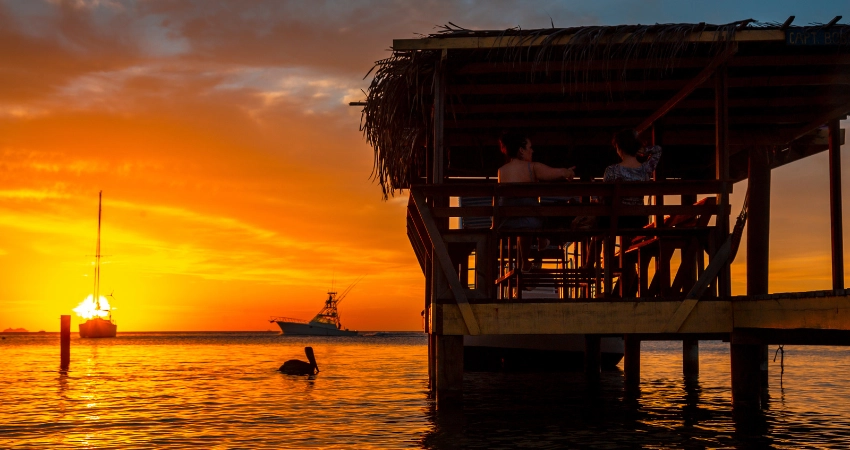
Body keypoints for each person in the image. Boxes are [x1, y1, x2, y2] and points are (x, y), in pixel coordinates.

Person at [497, 131, 575, 272]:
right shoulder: (532, 167)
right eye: (530, 147)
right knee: (547, 212)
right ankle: (543, 239)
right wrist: (568, 172)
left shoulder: (501, 171)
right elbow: (557, 173)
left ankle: (525, 261)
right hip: (530, 221)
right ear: (521, 150)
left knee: (525, 217)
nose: (532, 151)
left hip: (507, 221)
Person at [603, 128, 662, 229]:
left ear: (619, 147)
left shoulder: (611, 170)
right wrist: (645, 150)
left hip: (616, 219)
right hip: (639, 219)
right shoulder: (646, 169)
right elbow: (658, 150)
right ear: (636, 147)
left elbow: (604, 197)